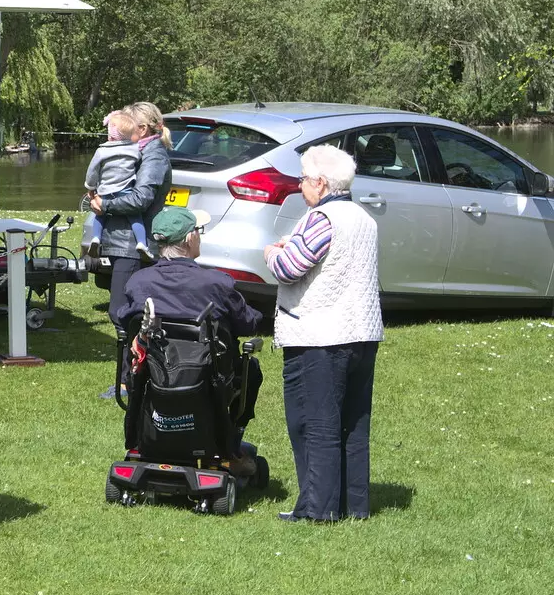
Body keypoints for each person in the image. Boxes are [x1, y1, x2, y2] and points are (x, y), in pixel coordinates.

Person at [264, 144, 382, 523]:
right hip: (362, 331)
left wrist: (271, 252)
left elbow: (288, 268)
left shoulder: (322, 218)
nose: (300, 186)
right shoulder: (364, 217)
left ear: (320, 182)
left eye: (302, 179)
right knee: (352, 423)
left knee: (314, 424)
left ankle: (318, 509)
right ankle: (354, 505)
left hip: (321, 335)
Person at [118, 205, 264, 471]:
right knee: (250, 369)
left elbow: (123, 319)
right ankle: (230, 442)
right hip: (208, 375)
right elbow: (248, 322)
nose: (199, 235)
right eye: (198, 231)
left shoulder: (138, 282)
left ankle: (152, 437)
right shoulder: (216, 283)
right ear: (189, 239)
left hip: (152, 372)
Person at [89, 100, 173, 397]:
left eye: (128, 123)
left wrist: (105, 203)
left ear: (142, 128)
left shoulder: (154, 156)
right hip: (125, 243)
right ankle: (135, 378)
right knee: (129, 312)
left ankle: (131, 380)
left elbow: (141, 199)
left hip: (136, 247)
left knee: (123, 312)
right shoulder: (136, 151)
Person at [81, 109, 149, 260]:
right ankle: (142, 243)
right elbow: (139, 164)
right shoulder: (134, 149)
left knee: (99, 214)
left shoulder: (102, 151)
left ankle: (96, 238)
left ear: (110, 135)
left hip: (105, 190)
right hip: (125, 190)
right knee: (135, 216)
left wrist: (91, 189)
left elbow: (92, 171)